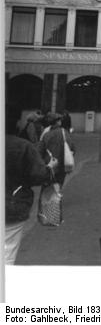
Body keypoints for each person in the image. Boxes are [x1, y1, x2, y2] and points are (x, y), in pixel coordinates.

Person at [5, 102, 55, 264]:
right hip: (11, 204)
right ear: (17, 122)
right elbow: (38, 175)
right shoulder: (23, 146)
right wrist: (49, 167)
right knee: (7, 251)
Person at [37, 112, 76, 189]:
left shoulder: (46, 134)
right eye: (59, 120)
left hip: (49, 164)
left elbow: (40, 151)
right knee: (58, 184)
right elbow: (72, 148)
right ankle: (56, 199)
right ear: (57, 122)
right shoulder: (64, 133)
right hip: (61, 163)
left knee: (47, 184)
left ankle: (46, 199)